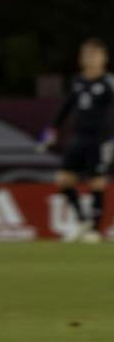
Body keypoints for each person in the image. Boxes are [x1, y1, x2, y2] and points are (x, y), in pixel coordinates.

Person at [39, 38, 114, 242]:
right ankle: (83, 219)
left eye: (94, 54)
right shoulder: (78, 81)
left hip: (100, 140)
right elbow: (65, 107)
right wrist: (52, 129)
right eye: (86, 54)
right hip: (78, 138)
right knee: (62, 180)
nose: (90, 58)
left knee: (97, 182)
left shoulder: (109, 83)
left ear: (103, 58)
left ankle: (95, 231)